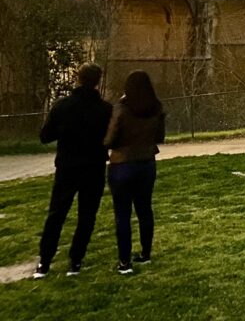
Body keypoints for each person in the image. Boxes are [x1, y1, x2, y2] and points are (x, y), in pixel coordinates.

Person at [34, 64, 113, 278]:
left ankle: (44, 261)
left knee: (57, 214)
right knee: (86, 215)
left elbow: (45, 136)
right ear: (97, 81)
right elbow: (111, 138)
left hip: (68, 166)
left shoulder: (63, 106)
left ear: (78, 79)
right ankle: (76, 261)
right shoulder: (105, 109)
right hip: (94, 166)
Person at [105, 70, 165, 275]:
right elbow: (160, 136)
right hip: (146, 163)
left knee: (123, 214)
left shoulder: (121, 109)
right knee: (144, 210)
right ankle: (145, 253)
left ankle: (124, 262)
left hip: (122, 164)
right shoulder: (156, 108)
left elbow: (110, 139)